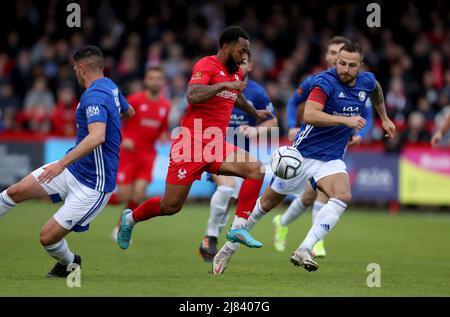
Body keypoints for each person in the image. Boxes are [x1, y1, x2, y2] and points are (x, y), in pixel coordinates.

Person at [214, 42, 396, 274]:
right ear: (336, 61)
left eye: (351, 65)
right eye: (341, 63)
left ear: (360, 66)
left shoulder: (367, 81)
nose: (345, 69)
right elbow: (309, 115)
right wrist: (345, 121)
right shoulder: (325, 82)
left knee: (342, 195)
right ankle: (228, 249)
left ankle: (305, 248)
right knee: (265, 205)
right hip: (301, 156)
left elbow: (377, 89)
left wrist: (385, 118)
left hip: (331, 159)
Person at [116, 26, 273, 251]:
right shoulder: (206, 65)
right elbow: (193, 95)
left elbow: (234, 96)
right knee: (170, 205)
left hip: (216, 144)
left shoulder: (236, 72)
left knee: (255, 170)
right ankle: (130, 219)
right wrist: (224, 84)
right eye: (241, 51)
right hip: (190, 144)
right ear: (226, 47)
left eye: (247, 51)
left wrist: (254, 112)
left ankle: (239, 227)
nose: (244, 56)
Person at [0, 46, 135, 277]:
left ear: (82, 68)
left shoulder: (94, 95)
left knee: (47, 238)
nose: (74, 71)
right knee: (15, 191)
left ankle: (69, 262)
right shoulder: (110, 86)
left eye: (75, 67)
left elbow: (97, 137)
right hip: (74, 170)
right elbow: (129, 111)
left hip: (93, 186)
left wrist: (60, 163)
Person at [273, 36, 373, 257]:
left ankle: (287, 225)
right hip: (312, 146)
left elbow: (368, 113)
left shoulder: (359, 84)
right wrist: (291, 125)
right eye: (334, 53)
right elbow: (293, 103)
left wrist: (361, 134)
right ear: (330, 57)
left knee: (317, 196)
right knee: (315, 196)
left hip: (338, 148)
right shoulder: (316, 80)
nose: (341, 61)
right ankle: (311, 241)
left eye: (348, 59)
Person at [198, 52, 277, 262]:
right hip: (213, 148)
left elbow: (272, 122)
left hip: (241, 156)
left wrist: (255, 131)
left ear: (250, 66)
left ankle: (214, 234)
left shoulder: (257, 92)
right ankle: (211, 236)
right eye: (237, 62)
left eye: (243, 62)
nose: (239, 66)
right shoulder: (220, 84)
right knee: (226, 188)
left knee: (231, 197)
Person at [111, 67, 170, 240]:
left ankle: (120, 228)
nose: (155, 82)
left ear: (162, 82)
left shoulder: (165, 106)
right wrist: (124, 137)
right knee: (123, 195)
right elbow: (114, 119)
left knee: (137, 195)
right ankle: (90, 201)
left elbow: (162, 128)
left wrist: (164, 135)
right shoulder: (134, 100)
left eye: (158, 78)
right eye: (151, 78)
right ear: (146, 80)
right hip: (129, 154)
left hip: (148, 155)